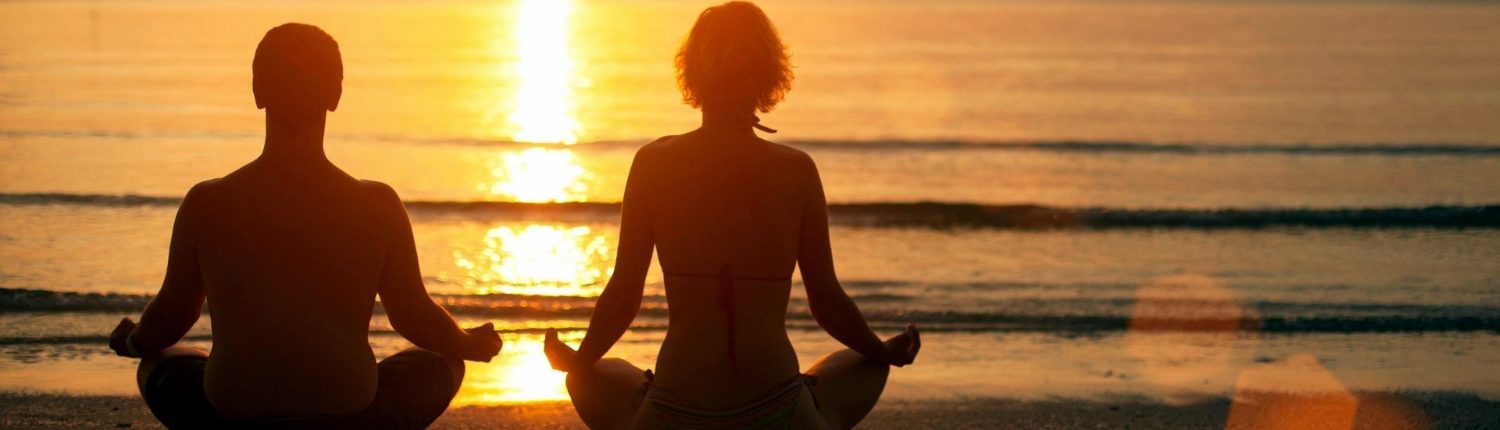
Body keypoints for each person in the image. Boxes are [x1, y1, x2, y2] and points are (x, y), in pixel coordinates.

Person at [542, 2, 921, 429]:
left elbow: (625, 292)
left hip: (674, 409)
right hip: (776, 409)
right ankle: (811, 405)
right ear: (767, 73)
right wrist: (880, 350)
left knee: (593, 374)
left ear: (693, 73)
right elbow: (827, 302)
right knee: (864, 364)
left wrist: (579, 358)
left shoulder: (653, 162)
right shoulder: (796, 168)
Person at [106, 23, 502, 429]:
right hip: (351, 415)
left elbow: (172, 316)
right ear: (335, 94)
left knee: (158, 360)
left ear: (258, 92)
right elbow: (413, 315)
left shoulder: (207, 202)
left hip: (231, 415)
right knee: (443, 361)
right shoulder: (376, 203)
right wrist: (470, 343)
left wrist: (134, 340)